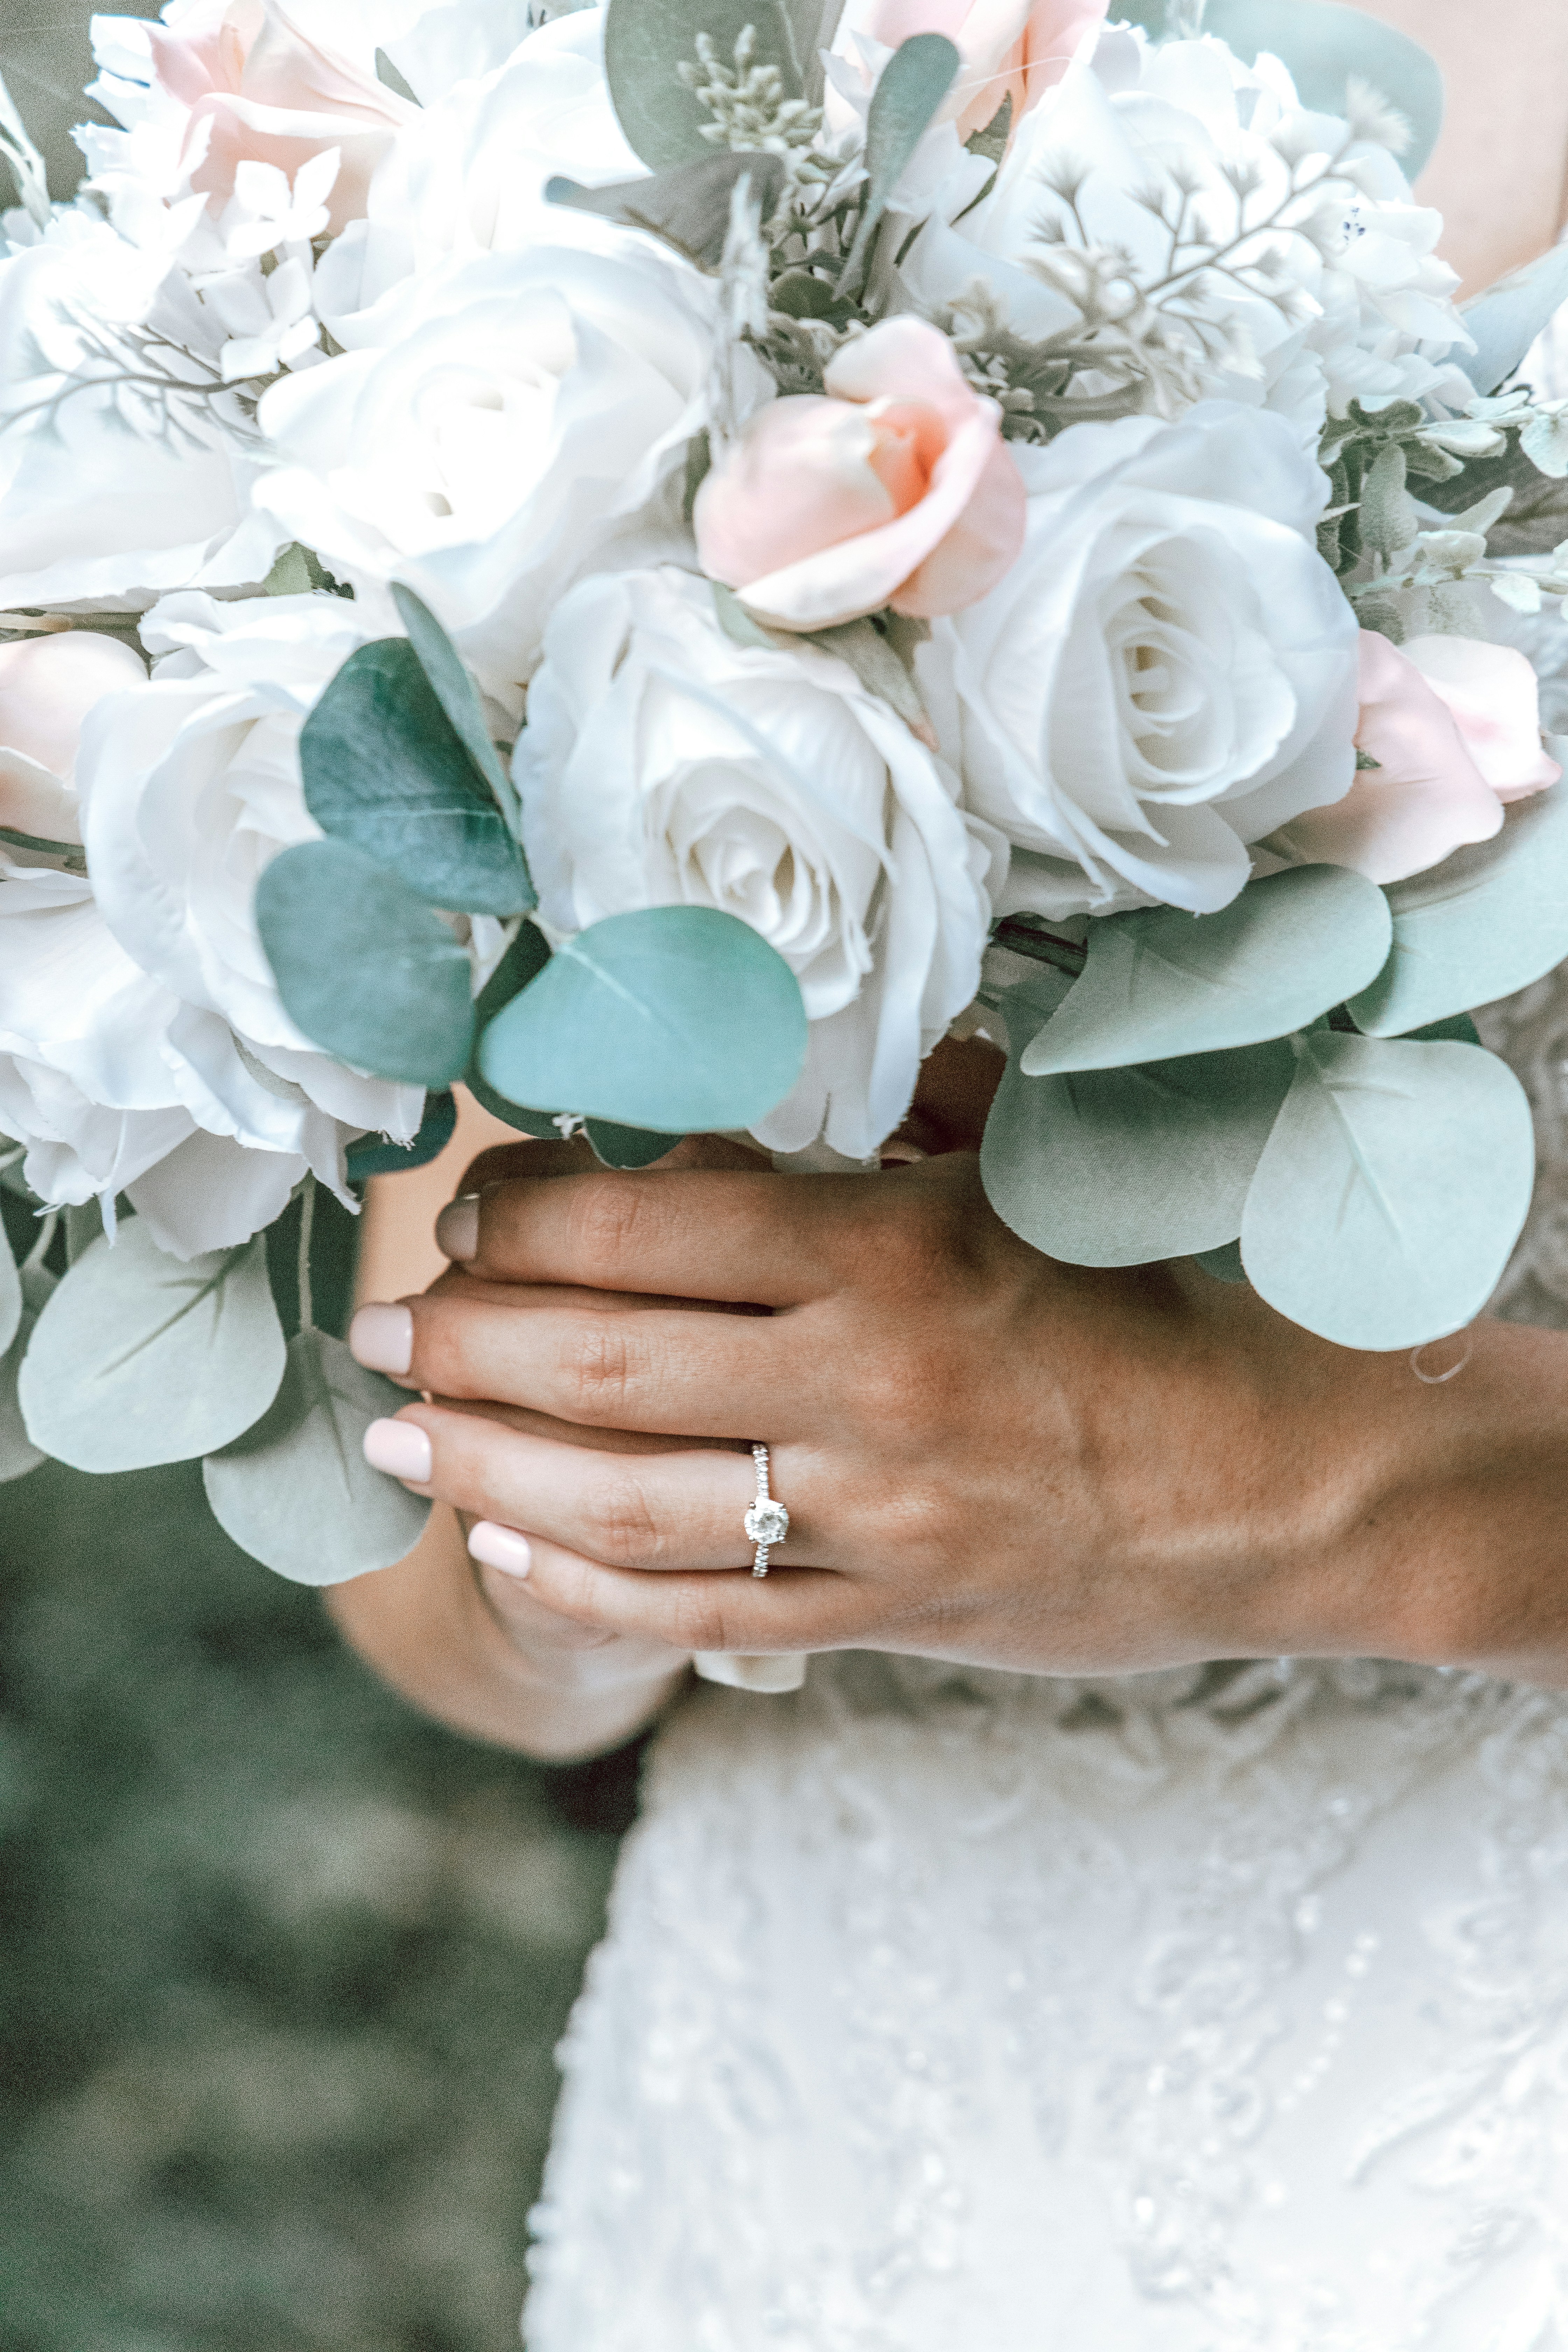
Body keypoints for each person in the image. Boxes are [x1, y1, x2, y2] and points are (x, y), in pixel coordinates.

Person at [329, 7, 1568, 2342]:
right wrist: (598, 1490)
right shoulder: (751, 72)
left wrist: (1294, 1475)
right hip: (813, 2145)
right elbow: (427, 1572)